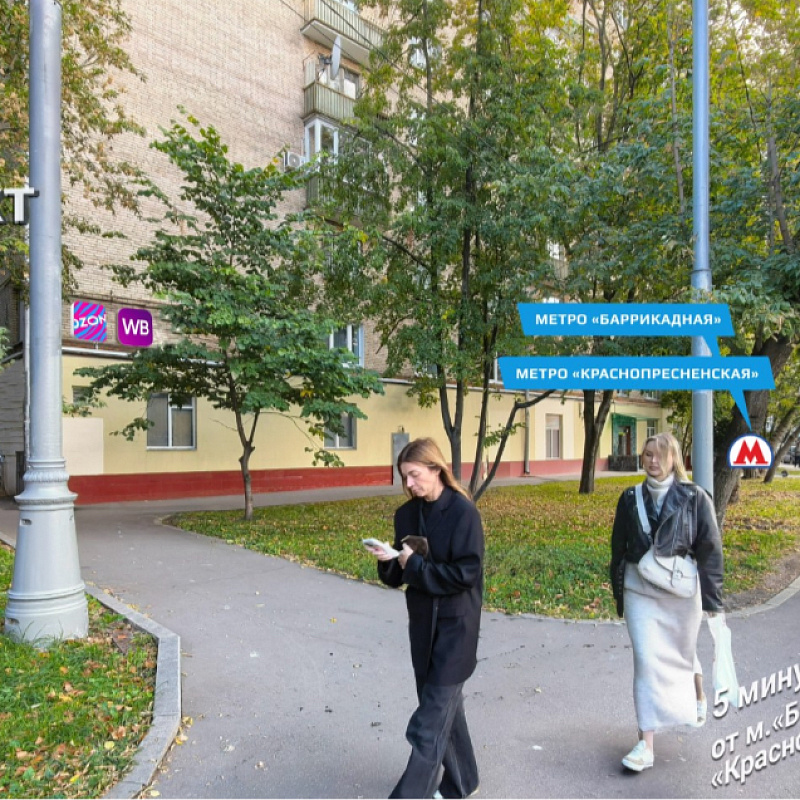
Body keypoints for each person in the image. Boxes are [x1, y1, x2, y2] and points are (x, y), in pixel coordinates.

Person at [367, 437, 483, 799]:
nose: (409, 484)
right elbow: (398, 576)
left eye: (415, 475)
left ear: (436, 469)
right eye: (404, 477)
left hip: (456, 628)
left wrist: (415, 566)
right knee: (445, 710)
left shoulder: (463, 513)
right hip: (423, 627)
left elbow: (467, 574)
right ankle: (464, 782)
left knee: (429, 723)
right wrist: (388, 561)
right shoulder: (406, 514)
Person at [609, 432, 724, 772]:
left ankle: (697, 693)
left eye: (660, 454)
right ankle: (646, 745)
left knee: (680, 654)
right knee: (647, 661)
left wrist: (713, 602)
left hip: (680, 593)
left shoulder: (695, 497)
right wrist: (619, 593)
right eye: (647, 454)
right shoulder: (629, 498)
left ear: (674, 458)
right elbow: (618, 549)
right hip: (639, 591)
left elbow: (710, 550)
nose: (653, 460)